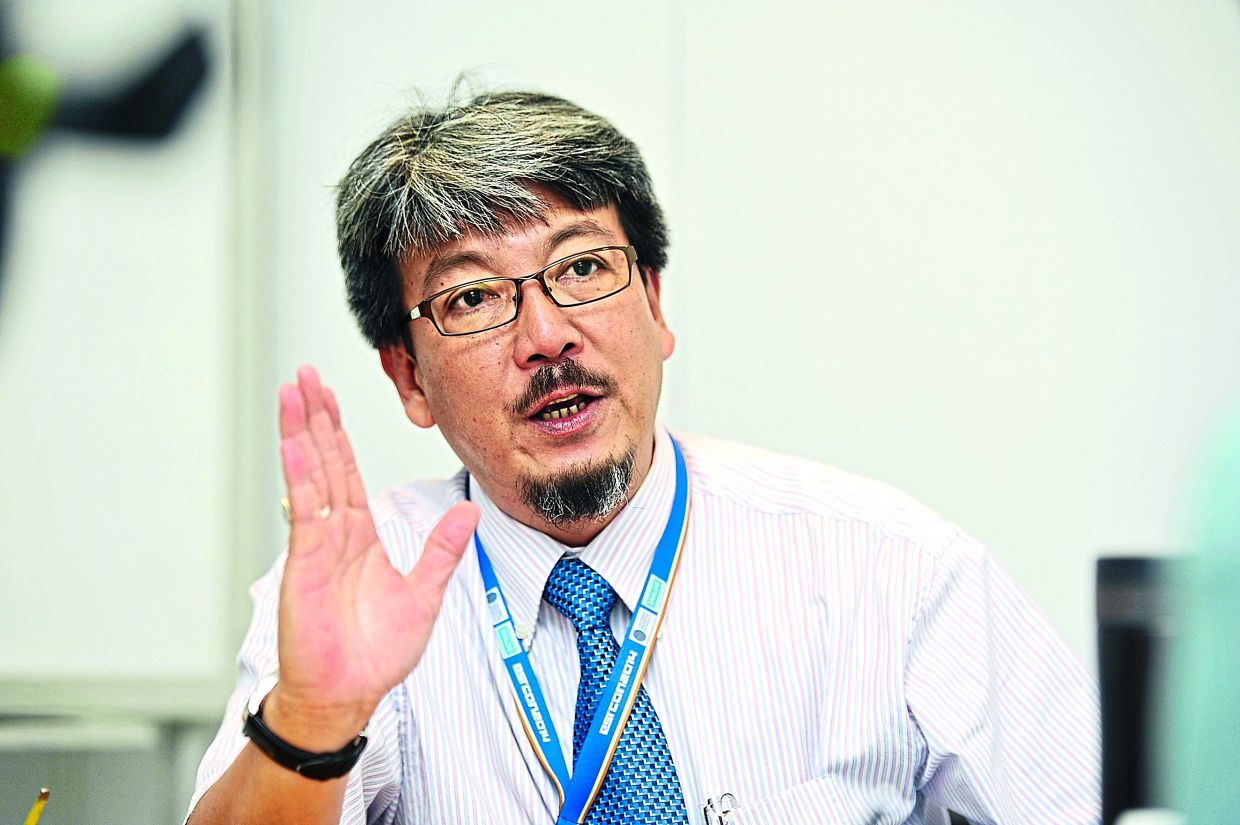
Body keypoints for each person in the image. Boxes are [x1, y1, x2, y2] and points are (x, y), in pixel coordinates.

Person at [185, 90, 1101, 825]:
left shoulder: (887, 570)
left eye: (583, 268)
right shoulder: (358, 591)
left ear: (655, 304)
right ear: (408, 376)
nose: (546, 337)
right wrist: (313, 721)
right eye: (473, 299)